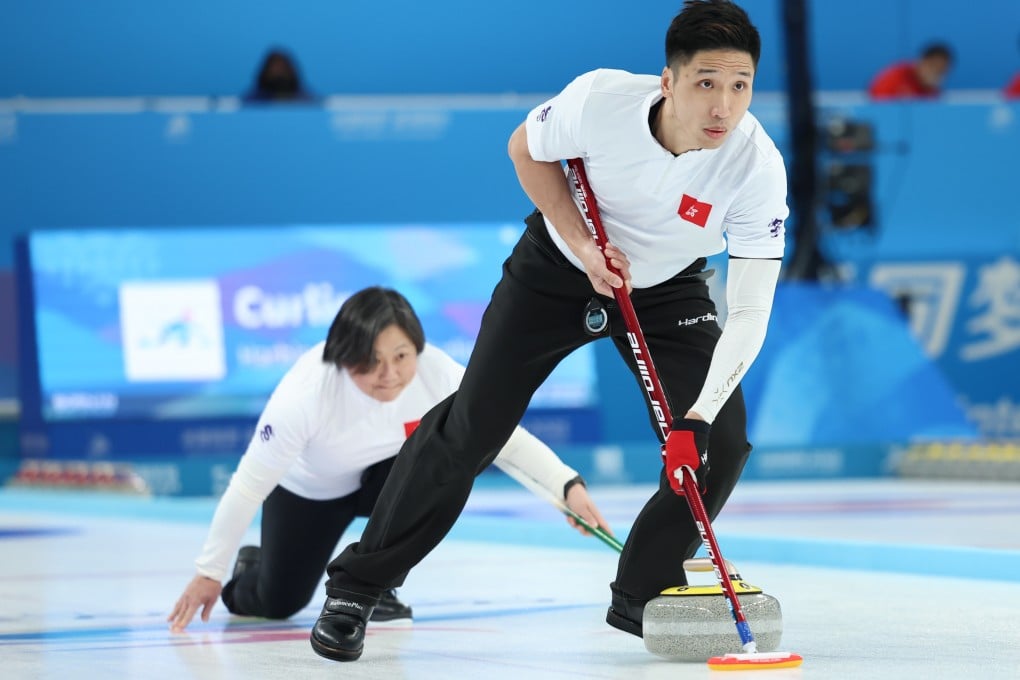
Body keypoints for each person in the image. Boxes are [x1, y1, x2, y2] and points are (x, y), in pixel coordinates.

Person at [309, 0, 788, 662]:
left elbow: (751, 310)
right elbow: (525, 150)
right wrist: (583, 245)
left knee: (720, 445)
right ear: (669, 81)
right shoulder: (599, 102)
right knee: (473, 426)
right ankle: (358, 587)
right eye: (707, 82)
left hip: (667, 287)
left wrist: (697, 417)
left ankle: (643, 592)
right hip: (559, 267)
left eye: (740, 86)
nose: (723, 106)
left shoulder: (755, 165)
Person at [167, 287, 611, 633]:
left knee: (451, 457)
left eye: (401, 356)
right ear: (343, 354)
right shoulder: (304, 396)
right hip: (312, 492)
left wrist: (567, 486)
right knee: (278, 603)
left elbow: (503, 437)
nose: (390, 375)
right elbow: (248, 487)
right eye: (371, 360)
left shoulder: (436, 371)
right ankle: (252, 568)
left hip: (387, 480)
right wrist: (209, 572)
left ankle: (376, 585)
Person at [868, 42, 953, 100]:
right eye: (932, 67)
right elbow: (877, 99)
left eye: (941, 71)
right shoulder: (898, 75)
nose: (935, 74)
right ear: (921, 61)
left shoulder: (934, 90)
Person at [242, 48, 316, 103]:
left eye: (283, 69)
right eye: (274, 70)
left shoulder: (307, 101)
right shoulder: (250, 103)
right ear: (265, 73)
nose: (279, 73)